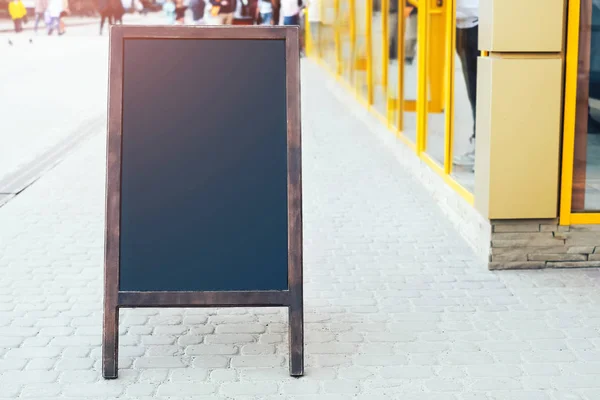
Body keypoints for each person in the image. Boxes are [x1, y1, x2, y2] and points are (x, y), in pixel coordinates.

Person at [452, 0, 479, 168]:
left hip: (478, 24)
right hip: (461, 26)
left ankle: (481, 147)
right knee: (473, 92)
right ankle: (478, 143)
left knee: (480, 91)